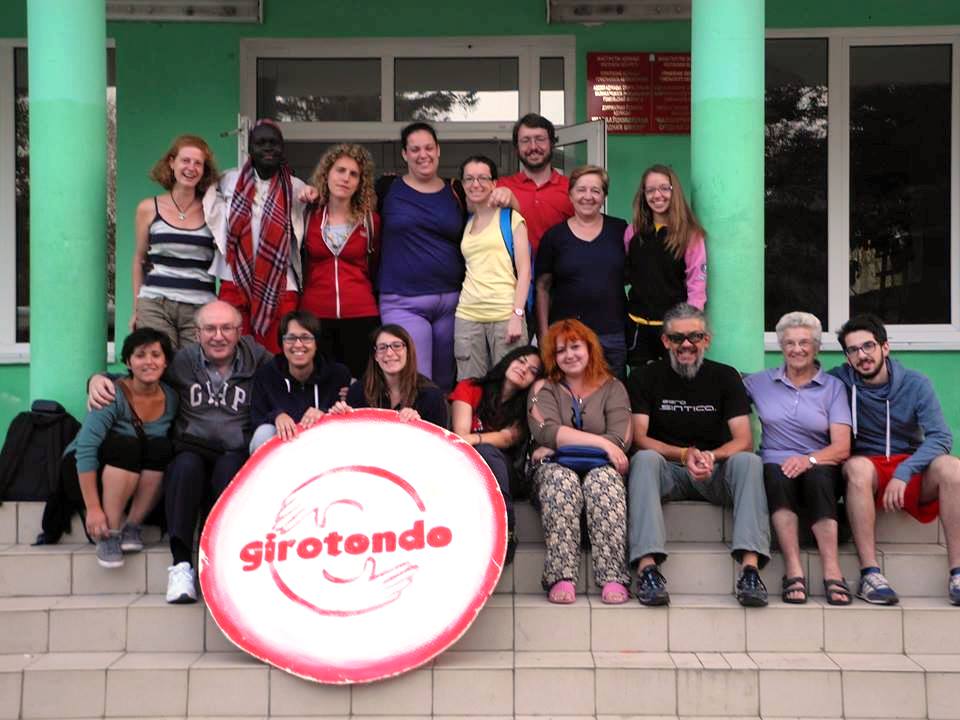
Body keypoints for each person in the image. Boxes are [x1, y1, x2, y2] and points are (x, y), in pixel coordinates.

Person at [88, 300, 270, 603]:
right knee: (184, 467)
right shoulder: (182, 361)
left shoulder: (258, 359)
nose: (218, 336)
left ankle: (219, 563)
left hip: (233, 451)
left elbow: (293, 371)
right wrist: (98, 379)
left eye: (226, 328)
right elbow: (143, 374)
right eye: (210, 329)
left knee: (230, 471)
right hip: (191, 448)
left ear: (239, 332)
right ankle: (182, 565)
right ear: (197, 334)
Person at [627, 303, 770, 607]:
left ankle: (750, 570)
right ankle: (647, 569)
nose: (686, 345)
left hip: (715, 471)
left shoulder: (726, 376)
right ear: (665, 341)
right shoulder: (644, 377)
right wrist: (683, 454)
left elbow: (744, 440)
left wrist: (712, 457)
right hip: (668, 471)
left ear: (707, 340)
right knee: (643, 459)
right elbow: (639, 438)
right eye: (677, 338)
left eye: (695, 336)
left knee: (748, 461)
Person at [830, 314, 960, 606]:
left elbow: (940, 437)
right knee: (857, 467)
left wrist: (904, 472)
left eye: (868, 346)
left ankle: (958, 573)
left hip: (909, 466)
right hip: (868, 472)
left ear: (885, 347)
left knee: (953, 468)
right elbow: (799, 378)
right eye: (853, 350)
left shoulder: (916, 383)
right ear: (847, 357)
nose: (862, 355)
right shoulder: (838, 381)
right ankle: (870, 574)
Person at [744, 312, 852, 604]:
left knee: (819, 478)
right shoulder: (760, 382)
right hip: (775, 461)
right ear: (781, 346)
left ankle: (832, 570)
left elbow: (842, 447)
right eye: (789, 343)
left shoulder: (833, 388)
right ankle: (793, 569)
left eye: (804, 342)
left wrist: (809, 460)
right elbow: (725, 390)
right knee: (776, 475)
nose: (797, 349)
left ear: (816, 347)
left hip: (819, 461)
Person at [527, 319, 632, 605]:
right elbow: (546, 431)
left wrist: (563, 442)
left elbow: (621, 439)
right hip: (553, 469)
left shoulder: (613, 387)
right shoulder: (543, 387)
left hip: (601, 468)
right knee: (562, 481)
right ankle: (561, 576)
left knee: (603, 481)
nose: (569, 355)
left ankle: (612, 576)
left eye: (575, 347)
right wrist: (602, 444)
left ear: (589, 348)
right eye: (560, 351)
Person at [68, 328, 177, 568]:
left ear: (166, 361)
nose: (149, 362)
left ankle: (133, 526)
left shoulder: (171, 397)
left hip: (133, 473)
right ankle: (109, 534)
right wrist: (93, 509)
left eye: (156, 355)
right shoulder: (110, 393)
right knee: (126, 445)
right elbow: (85, 449)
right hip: (86, 470)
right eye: (140, 355)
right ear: (128, 362)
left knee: (162, 447)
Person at [375, 122, 466, 392]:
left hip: (452, 302)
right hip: (403, 301)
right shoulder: (387, 188)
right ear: (404, 154)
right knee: (417, 382)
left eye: (428, 148)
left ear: (438, 150)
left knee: (447, 383)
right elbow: (347, 205)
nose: (422, 154)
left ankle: (443, 422)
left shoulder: (456, 190)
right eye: (415, 149)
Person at [208, 120, 308, 354]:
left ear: (282, 148)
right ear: (250, 148)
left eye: (273, 143)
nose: (268, 148)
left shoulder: (297, 188)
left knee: (277, 356)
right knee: (235, 354)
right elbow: (205, 202)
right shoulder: (227, 180)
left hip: (279, 284)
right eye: (260, 143)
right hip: (235, 279)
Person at [451, 345, 542, 563]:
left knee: (488, 452)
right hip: (466, 466)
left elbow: (509, 438)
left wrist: (477, 439)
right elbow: (461, 435)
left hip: (507, 475)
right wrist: (480, 439)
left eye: (532, 370)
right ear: (508, 360)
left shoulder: (526, 406)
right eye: (520, 361)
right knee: (484, 451)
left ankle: (506, 524)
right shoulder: (470, 387)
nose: (523, 369)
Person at [535, 165, 628, 377]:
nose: (588, 196)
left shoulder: (620, 229)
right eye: (581, 190)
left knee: (612, 393)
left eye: (596, 190)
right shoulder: (554, 236)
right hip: (566, 336)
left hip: (611, 334)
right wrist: (544, 335)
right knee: (568, 394)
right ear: (570, 195)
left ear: (604, 196)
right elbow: (542, 287)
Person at [299, 143, 381, 379]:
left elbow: (375, 264)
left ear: (360, 183)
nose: (346, 178)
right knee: (320, 383)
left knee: (357, 385)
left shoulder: (371, 221)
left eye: (354, 174)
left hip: (361, 314)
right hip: (315, 314)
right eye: (340, 170)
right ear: (326, 174)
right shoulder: (308, 215)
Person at [131, 135, 220, 349]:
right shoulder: (148, 208)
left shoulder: (212, 211)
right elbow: (139, 260)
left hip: (200, 307)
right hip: (155, 304)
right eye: (185, 160)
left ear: (204, 170)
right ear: (172, 163)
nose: (191, 168)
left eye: (198, 163)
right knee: (157, 363)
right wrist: (137, 308)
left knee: (193, 365)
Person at [454, 155, 531, 380]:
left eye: (482, 178)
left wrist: (517, 315)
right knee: (470, 386)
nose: (475, 184)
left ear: (494, 183)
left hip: (505, 315)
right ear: (463, 184)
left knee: (510, 385)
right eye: (469, 179)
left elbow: (525, 271)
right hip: (468, 315)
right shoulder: (468, 222)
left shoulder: (511, 219)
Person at [624, 164, 707, 369]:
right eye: (650, 190)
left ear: (674, 191)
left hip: (675, 331)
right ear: (644, 195)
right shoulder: (632, 232)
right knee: (641, 383)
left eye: (664, 188)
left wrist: (689, 327)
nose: (657, 195)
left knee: (677, 383)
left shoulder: (690, 235)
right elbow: (626, 273)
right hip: (638, 329)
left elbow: (696, 283)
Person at [249, 310, 351, 453]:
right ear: (282, 343)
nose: (298, 345)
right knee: (264, 433)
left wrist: (324, 414)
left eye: (306, 338)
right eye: (290, 338)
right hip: (284, 449)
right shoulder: (267, 374)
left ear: (316, 343)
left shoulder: (338, 374)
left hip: (324, 446)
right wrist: (276, 416)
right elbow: (256, 418)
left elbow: (348, 417)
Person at [329, 324, 447, 428]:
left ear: (408, 351)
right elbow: (350, 437)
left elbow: (441, 443)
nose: (389, 353)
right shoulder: (358, 391)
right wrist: (340, 418)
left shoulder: (431, 395)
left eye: (397, 346)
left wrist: (419, 426)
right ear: (375, 356)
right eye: (382, 347)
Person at [489, 113, 573, 257]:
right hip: (513, 269)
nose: (533, 147)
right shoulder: (502, 186)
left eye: (540, 139)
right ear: (517, 147)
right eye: (525, 140)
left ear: (552, 143)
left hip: (559, 269)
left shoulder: (571, 188)